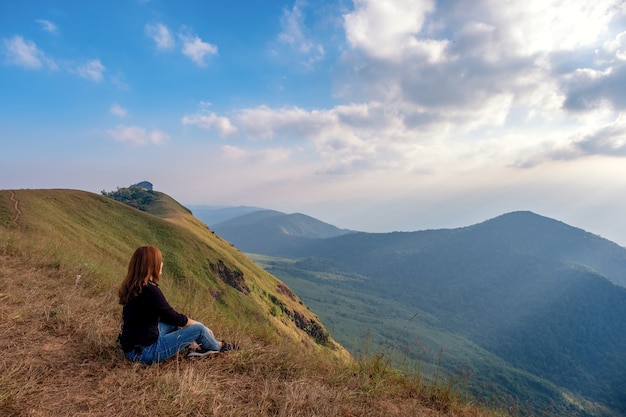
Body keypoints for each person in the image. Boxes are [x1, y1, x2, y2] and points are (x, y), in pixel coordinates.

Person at [118, 245, 238, 364]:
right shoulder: (151, 291)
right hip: (146, 352)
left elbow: (167, 317)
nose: (162, 264)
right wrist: (201, 325)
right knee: (199, 330)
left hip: (132, 347)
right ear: (151, 266)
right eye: (159, 261)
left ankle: (193, 346)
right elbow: (174, 317)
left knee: (171, 325)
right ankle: (218, 346)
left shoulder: (134, 286)